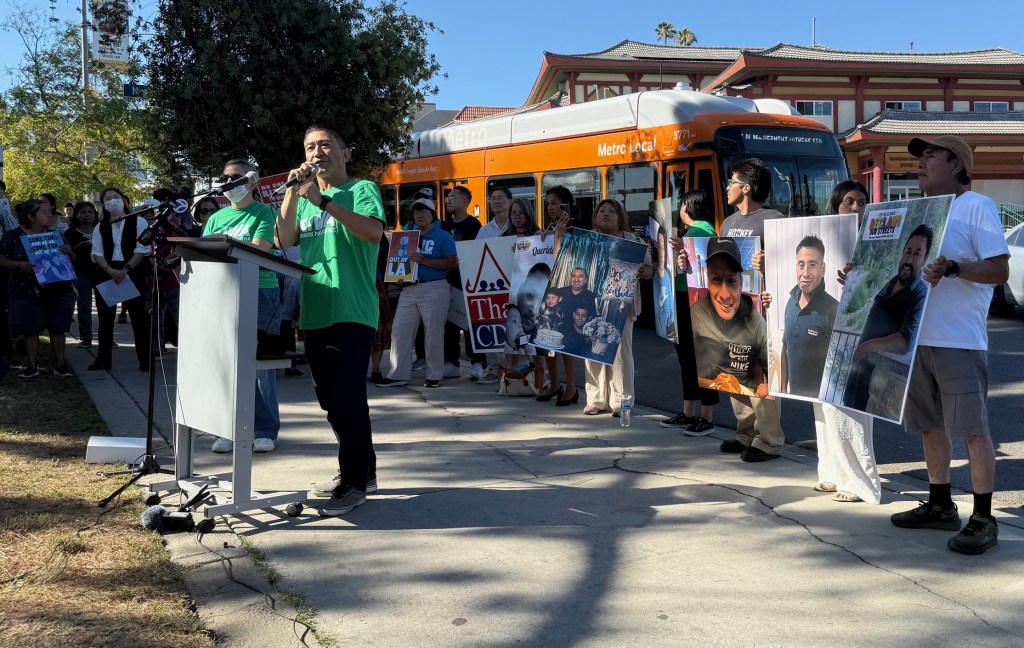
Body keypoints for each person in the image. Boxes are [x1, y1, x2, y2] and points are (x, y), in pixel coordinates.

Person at [890, 135, 1009, 555]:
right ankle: (940, 504)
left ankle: (983, 516)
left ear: (957, 164)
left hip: (959, 340)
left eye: (930, 157)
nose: (920, 164)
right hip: (919, 336)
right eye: (918, 158)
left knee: (974, 431)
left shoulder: (976, 206)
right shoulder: (919, 212)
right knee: (929, 424)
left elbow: (999, 270)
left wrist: (955, 268)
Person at [277, 123, 386, 517]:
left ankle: (354, 483)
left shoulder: (360, 190)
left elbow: (374, 233)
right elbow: (284, 239)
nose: (316, 153)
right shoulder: (302, 197)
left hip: (351, 309)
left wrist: (323, 202)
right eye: (309, 147)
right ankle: (363, 471)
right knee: (331, 402)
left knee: (349, 399)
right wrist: (293, 193)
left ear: (345, 153)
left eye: (325, 145)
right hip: (316, 310)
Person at [203, 160, 282, 453]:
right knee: (227, 364)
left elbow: (259, 248)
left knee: (259, 365)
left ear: (251, 181)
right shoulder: (216, 217)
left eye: (235, 177)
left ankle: (264, 429)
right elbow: (205, 253)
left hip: (260, 292)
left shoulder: (265, 212)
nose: (228, 181)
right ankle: (229, 428)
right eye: (224, 177)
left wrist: (223, 246)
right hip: (224, 292)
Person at [812, 180, 880, 504]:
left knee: (851, 404)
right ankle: (831, 472)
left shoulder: (875, 241)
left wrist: (860, 277)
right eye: (849, 201)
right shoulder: (818, 238)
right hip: (823, 328)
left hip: (858, 329)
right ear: (835, 205)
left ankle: (860, 481)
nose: (856, 207)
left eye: (862, 202)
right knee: (823, 402)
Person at [719, 157, 785, 462]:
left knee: (760, 377)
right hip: (732, 308)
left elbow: (791, 265)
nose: (728, 187)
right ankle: (745, 433)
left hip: (762, 313)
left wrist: (768, 263)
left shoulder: (774, 219)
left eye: (732, 181)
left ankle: (769, 440)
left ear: (746, 187)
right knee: (736, 374)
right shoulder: (729, 223)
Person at [574, 199, 653, 416]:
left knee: (620, 353)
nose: (606, 214)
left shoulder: (633, 240)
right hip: (591, 303)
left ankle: (622, 401)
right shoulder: (586, 240)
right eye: (602, 210)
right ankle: (595, 398)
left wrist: (646, 272)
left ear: (621, 217)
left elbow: (649, 267)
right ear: (595, 216)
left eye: (612, 211)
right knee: (592, 348)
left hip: (622, 303)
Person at [841, 224, 931, 412]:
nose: (909, 259)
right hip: (857, 369)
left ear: (925, 259)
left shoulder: (919, 293)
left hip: (874, 376)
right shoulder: (890, 282)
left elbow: (906, 341)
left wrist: (866, 347)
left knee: (860, 424)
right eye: (908, 251)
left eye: (916, 254)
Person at [379, 198, 458, 388]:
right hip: (408, 289)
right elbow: (398, 262)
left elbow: (452, 263)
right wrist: (397, 275)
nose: (420, 214)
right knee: (399, 333)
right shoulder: (406, 236)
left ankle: (433, 375)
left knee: (433, 334)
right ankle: (398, 374)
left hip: (435, 287)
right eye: (416, 212)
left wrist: (424, 260)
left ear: (433, 215)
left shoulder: (443, 236)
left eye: (424, 211)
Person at [663, 189, 720, 435]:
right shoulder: (706, 232)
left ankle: (702, 416)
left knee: (693, 358)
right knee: (692, 357)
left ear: (687, 207)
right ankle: (693, 413)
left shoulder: (696, 234)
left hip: (690, 299)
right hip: (696, 299)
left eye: (682, 205)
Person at [0, 199, 77, 377]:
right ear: (30, 216)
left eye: (50, 211)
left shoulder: (56, 235)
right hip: (25, 288)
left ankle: (61, 365)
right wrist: (19, 265)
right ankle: (32, 366)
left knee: (58, 327)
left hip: (57, 289)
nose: (50, 215)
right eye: (44, 212)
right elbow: (1, 259)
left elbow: (73, 262)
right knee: (30, 328)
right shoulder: (13, 236)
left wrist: (69, 252)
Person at [689, 237, 771, 395]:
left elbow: (773, 369)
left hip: (749, 396)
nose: (725, 295)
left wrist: (771, 386)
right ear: (707, 281)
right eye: (716, 280)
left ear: (741, 282)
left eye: (732, 280)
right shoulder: (697, 314)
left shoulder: (756, 322)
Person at [89, 187, 150, 372]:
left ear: (124, 200)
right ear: (103, 203)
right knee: (105, 320)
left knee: (139, 318)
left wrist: (125, 269)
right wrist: (110, 270)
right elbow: (97, 252)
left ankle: (145, 359)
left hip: (132, 271)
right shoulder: (101, 226)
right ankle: (103, 359)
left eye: (116, 197)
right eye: (108, 199)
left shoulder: (139, 221)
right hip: (107, 272)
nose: (112, 201)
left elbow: (142, 249)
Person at [780, 235, 837, 397]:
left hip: (822, 402)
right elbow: (785, 347)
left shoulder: (834, 309)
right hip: (794, 399)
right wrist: (783, 389)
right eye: (801, 264)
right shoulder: (790, 303)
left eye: (812, 264)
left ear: (822, 269)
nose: (805, 273)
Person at [440, 185, 484, 380]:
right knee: (448, 325)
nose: (448, 200)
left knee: (470, 325)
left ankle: (477, 363)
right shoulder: (443, 226)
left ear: (465, 202)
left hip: (467, 282)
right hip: (446, 281)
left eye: (452, 197)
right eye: (448, 197)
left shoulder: (475, 226)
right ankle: (450, 362)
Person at [538, 186, 577, 401]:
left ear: (566, 204)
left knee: (565, 342)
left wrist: (557, 237)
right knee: (547, 340)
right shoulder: (552, 227)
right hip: (549, 289)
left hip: (567, 291)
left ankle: (571, 388)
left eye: (554, 203)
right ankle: (554, 383)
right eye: (548, 202)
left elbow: (563, 260)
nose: (550, 207)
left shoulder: (574, 229)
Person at [63, 201, 100, 348]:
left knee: (104, 305)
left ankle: (107, 337)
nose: (87, 215)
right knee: (84, 306)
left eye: (90, 212)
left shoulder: (101, 229)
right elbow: (68, 253)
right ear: (76, 215)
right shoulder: (70, 233)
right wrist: (80, 246)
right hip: (80, 273)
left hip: (100, 271)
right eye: (83, 212)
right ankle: (86, 338)